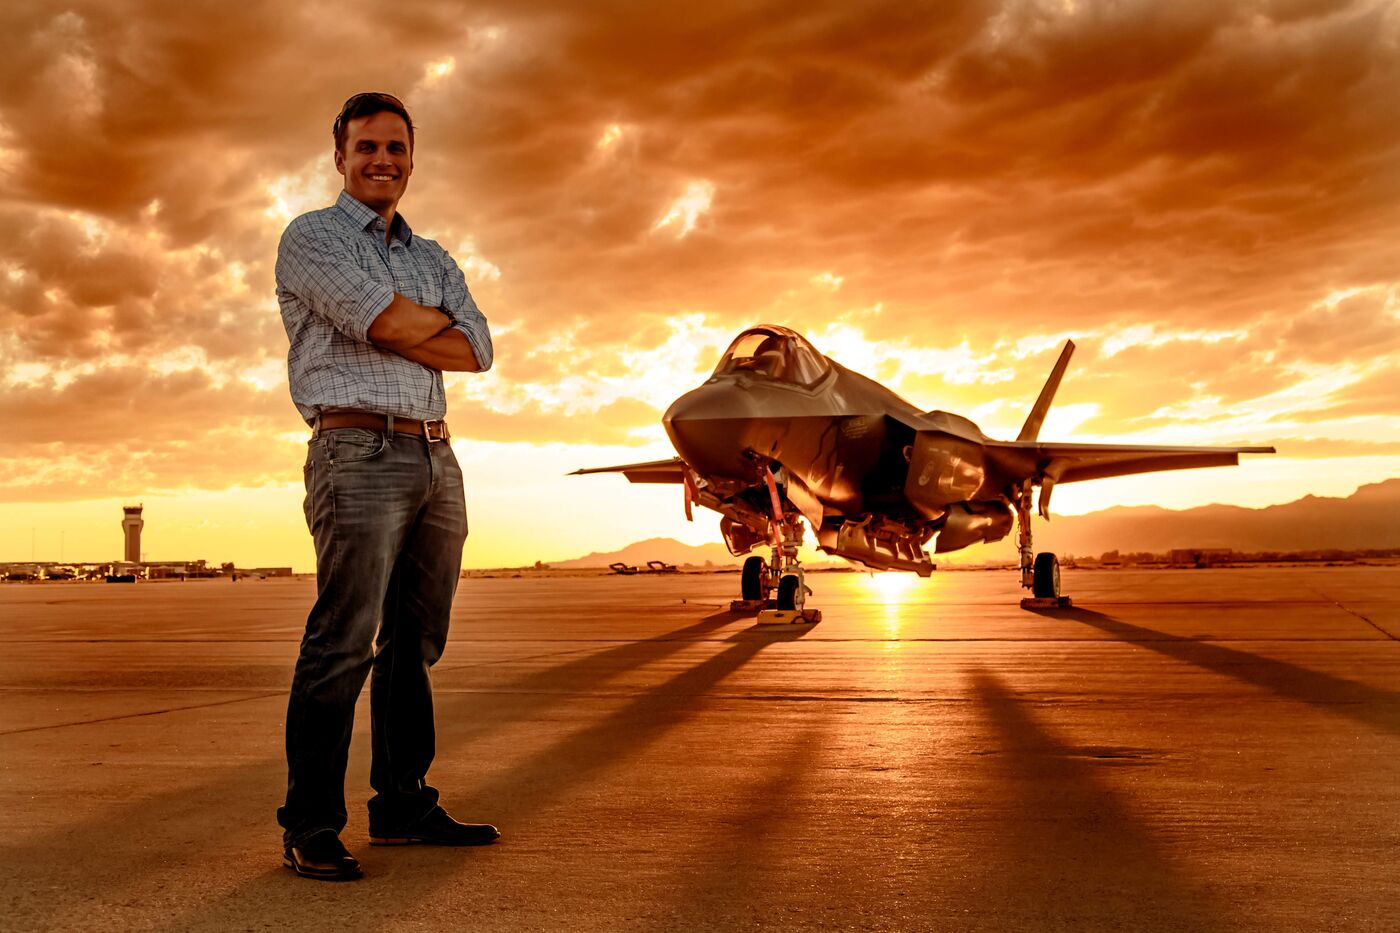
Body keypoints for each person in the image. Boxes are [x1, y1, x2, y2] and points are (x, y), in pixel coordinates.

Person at [274, 92, 498, 881]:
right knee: (342, 641)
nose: (382, 161)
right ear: (339, 155)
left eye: (396, 148)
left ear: (412, 156)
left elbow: (479, 348)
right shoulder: (312, 237)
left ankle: (402, 803)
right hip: (355, 450)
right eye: (366, 147)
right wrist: (416, 326)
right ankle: (311, 822)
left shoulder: (433, 254)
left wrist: (416, 324)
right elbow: (397, 328)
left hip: (437, 458)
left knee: (416, 643)